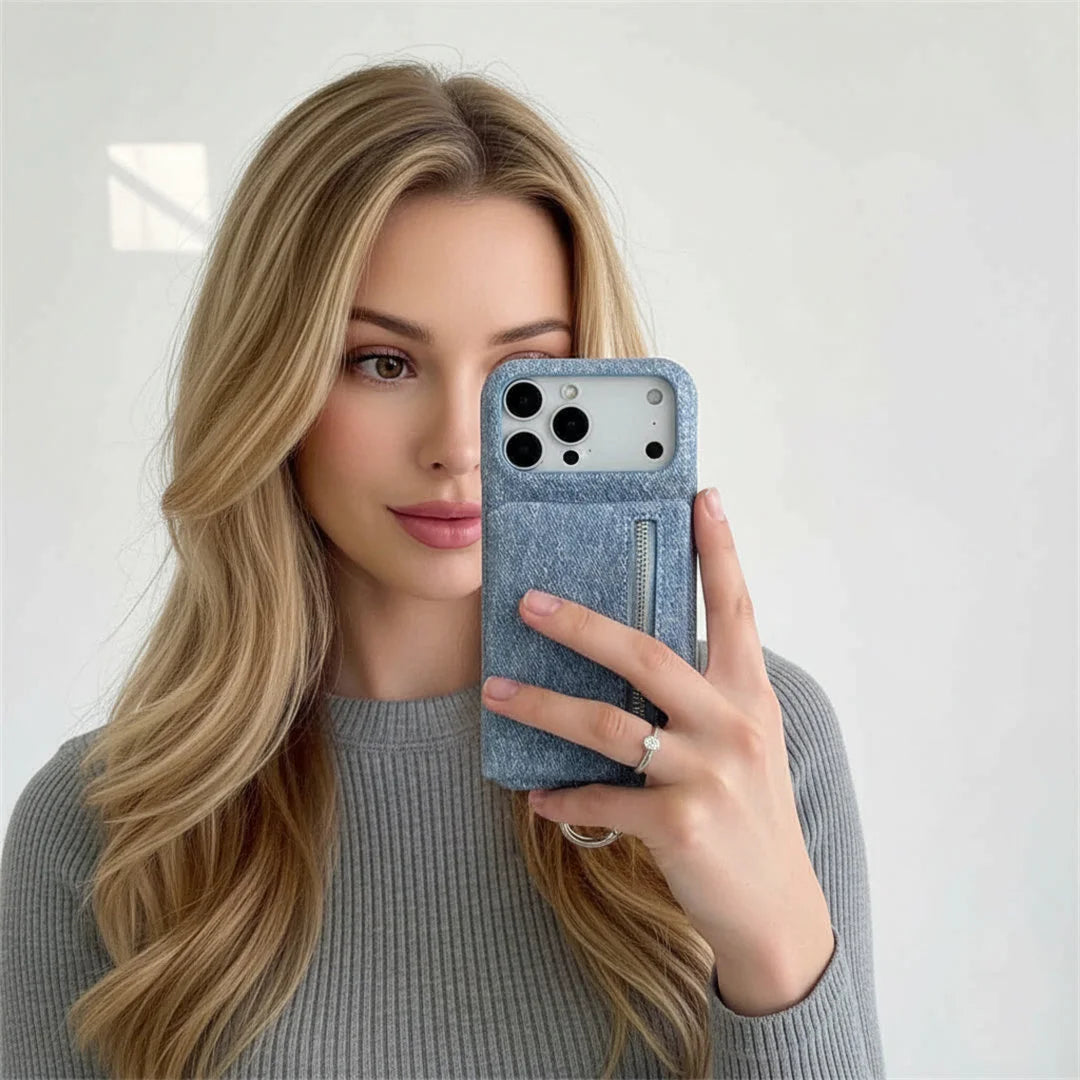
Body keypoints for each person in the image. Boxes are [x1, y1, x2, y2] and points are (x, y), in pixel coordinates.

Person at [0, 60, 886, 1079]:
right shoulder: (105, 828)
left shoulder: (748, 747)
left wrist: (773, 939)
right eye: (384, 362)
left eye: (522, 378)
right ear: (269, 383)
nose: (460, 446)